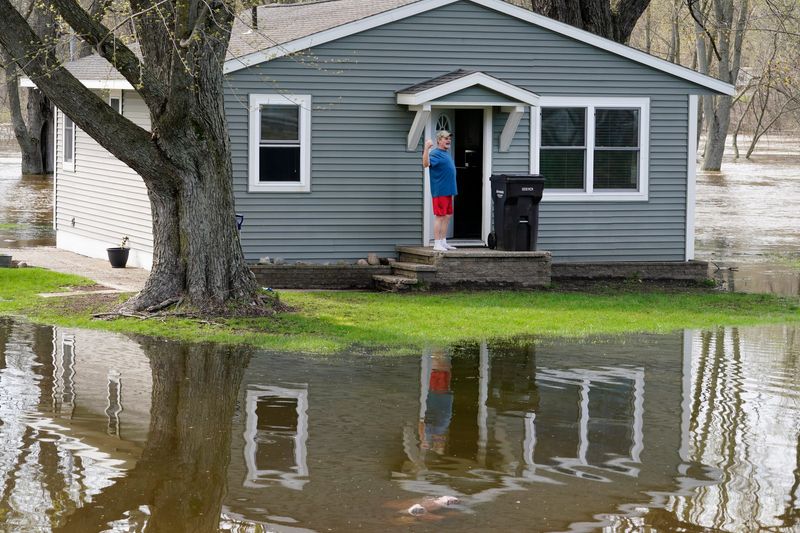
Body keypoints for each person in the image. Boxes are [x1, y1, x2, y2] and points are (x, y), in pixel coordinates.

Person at [423, 130, 457, 252]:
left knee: (447, 216)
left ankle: (443, 241)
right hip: (440, 190)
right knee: (440, 216)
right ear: (439, 140)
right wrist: (427, 148)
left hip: (449, 190)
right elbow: (426, 164)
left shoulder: (446, 153)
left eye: (449, 138)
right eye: (445, 138)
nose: (448, 140)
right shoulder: (435, 153)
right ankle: (437, 243)